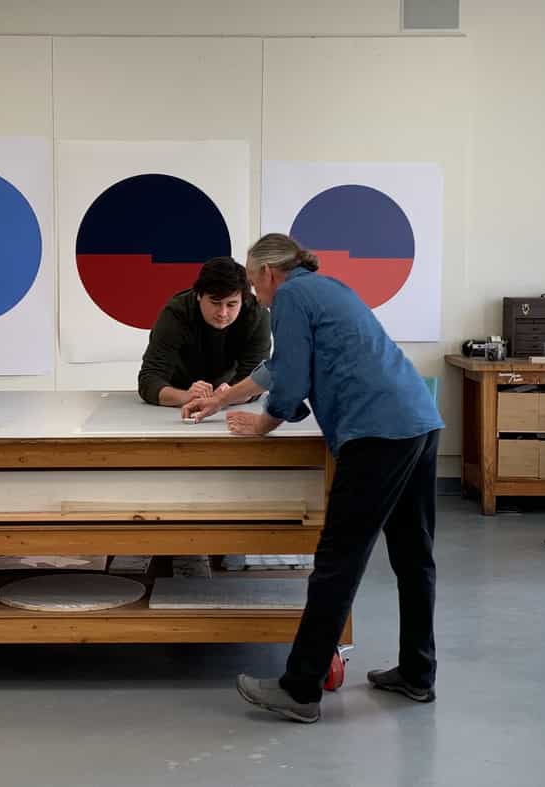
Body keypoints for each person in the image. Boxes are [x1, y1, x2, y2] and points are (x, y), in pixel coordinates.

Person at [182, 234, 444, 724]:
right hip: (418, 423)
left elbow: (292, 380)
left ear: (265, 273)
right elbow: (278, 368)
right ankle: (417, 672)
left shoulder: (291, 298)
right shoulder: (324, 289)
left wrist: (263, 423)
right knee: (413, 556)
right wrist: (223, 398)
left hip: (377, 434)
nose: (254, 296)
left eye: (252, 283)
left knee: (337, 560)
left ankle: (300, 689)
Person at [137, 257, 270, 407]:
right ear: (199, 295)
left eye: (232, 304)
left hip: (230, 390)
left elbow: (258, 380)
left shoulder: (258, 314)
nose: (223, 313)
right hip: (178, 390)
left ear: (243, 300)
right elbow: (149, 380)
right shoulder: (176, 313)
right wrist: (186, 397)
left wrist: (227, 396)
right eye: (215, 303)